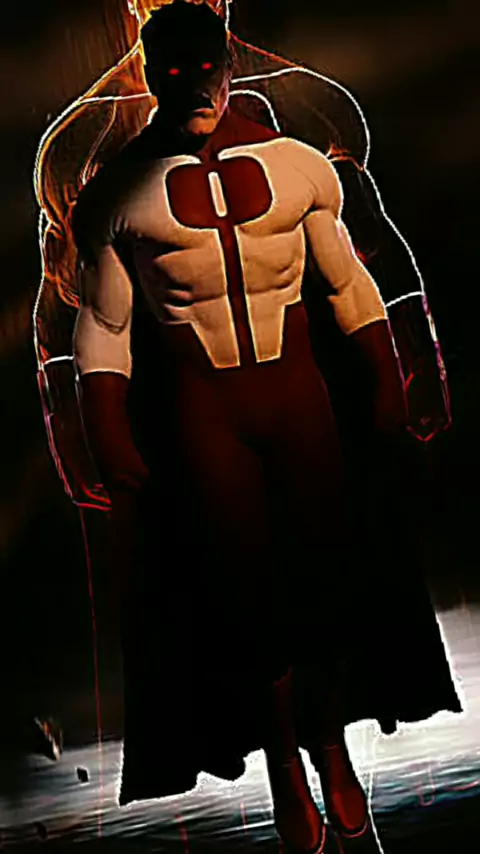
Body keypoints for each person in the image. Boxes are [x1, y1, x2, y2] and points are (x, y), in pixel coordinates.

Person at [70, 5, 455, 854]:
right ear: (148, 74)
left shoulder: (297, 166)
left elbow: (348, 282)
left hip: (297, 403)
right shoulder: (117, 196)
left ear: (226, 66)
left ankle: (329, 747)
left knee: (323, 584)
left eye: (202, 69)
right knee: (248, 600)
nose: (191, 87)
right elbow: (104, 324)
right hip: (205, 419)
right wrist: (105, 426)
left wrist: (386, 375)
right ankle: (284, 761)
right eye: (172, 72)